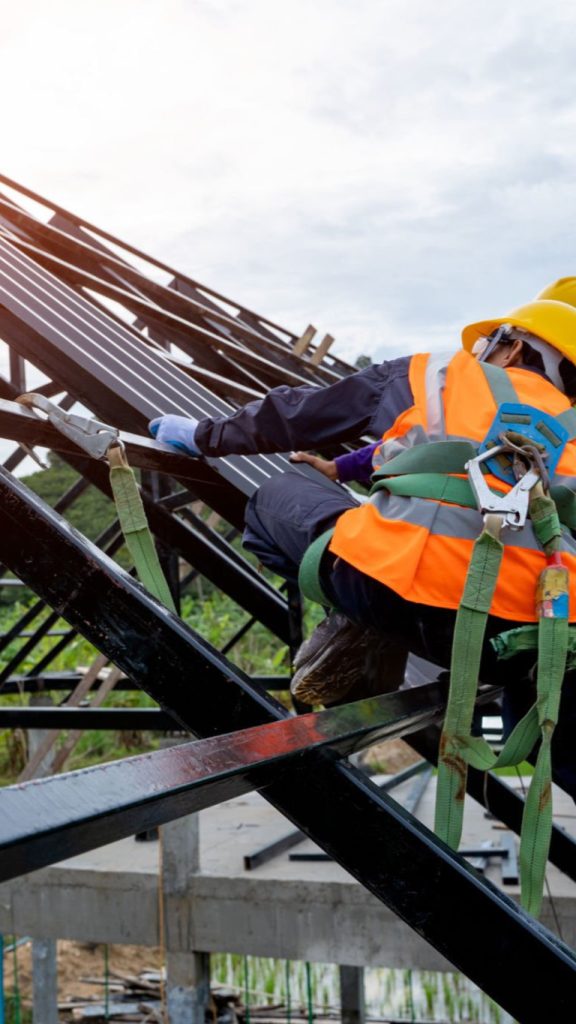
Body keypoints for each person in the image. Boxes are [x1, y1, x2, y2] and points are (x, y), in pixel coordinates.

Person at [150, 298, 576, 797]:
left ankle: (361, 620)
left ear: (513, 346)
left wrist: (205, 434)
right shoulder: (565, 434)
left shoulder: (438, 373)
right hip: (510, 643)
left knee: (278, 498)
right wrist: (345, 468)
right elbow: (458, 452)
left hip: (387, 587)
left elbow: (303, 413)